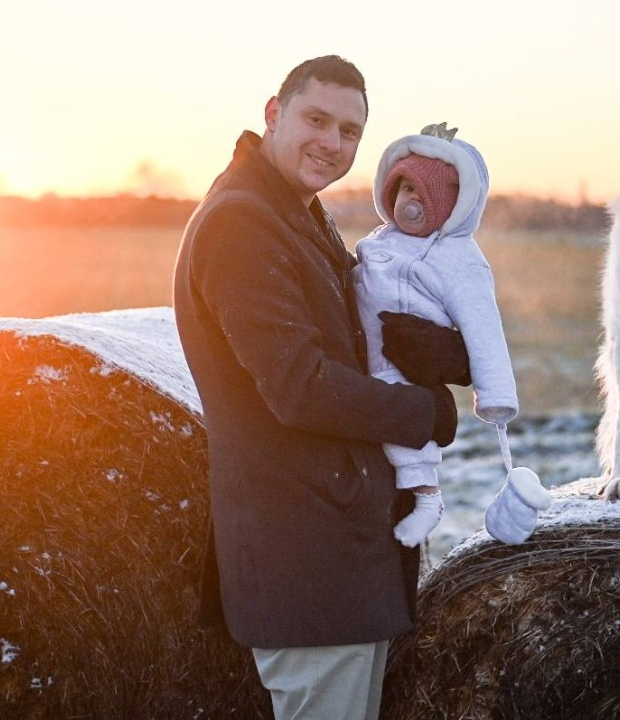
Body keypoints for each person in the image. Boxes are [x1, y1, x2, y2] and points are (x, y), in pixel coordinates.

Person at [172, 55, 469, 720]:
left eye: (350, 131)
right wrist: (425, 411)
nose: (332, 144)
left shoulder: (294, 211)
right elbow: (298, 386)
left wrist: (453, 351)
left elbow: (350, 333)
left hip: (336, 554)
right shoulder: (242, 221)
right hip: (305, 561)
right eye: (316, 119)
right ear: (273, 113)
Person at [353, 123, 519, 547]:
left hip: (402, 361)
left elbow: (484, 327)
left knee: (404, 429)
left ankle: (428, 500)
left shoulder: (458, 259)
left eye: (421, 194)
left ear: (449, 204)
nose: (408, 200)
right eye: (403, 187)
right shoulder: (381, 239)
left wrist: (496, 397)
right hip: (363, 352)